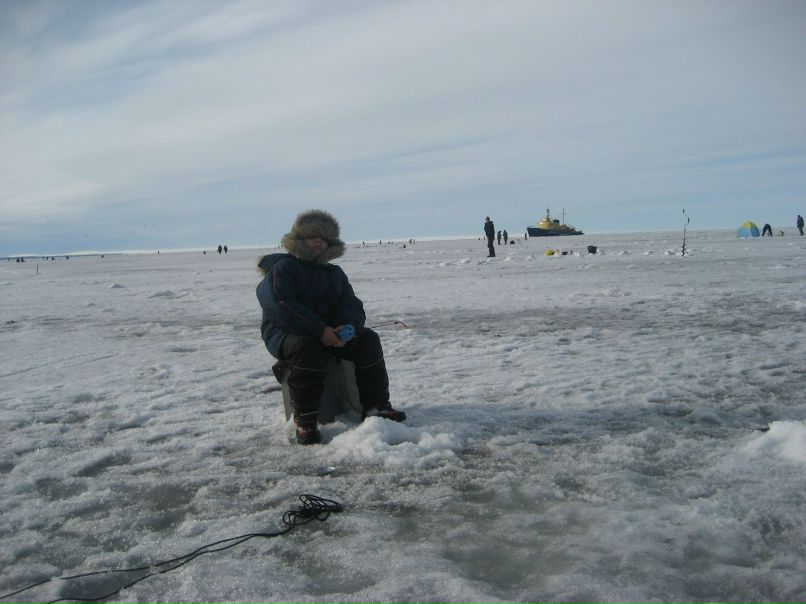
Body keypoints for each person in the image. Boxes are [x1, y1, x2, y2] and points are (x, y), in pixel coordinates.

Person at [256, 210, 406, 445]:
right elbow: (281, 307)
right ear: (300, 239)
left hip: (330, 333)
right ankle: (305, 420)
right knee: (307, 347)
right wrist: (319, 330)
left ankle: (376, 407)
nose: (319, 242)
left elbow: (351, 305)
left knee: (367, 340)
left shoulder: (334, 273)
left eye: (324, 239)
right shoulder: (282, 268)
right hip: (287, 333)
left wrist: (347, 327)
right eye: (314, 236)